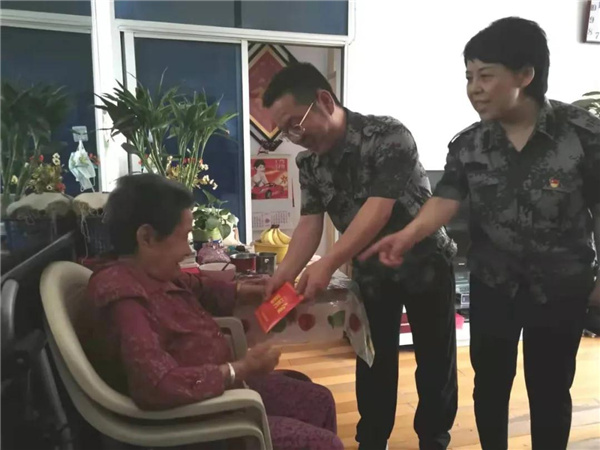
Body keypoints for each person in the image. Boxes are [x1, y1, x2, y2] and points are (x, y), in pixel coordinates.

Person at [361, 17, 600, 450]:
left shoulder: (583, 135)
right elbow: (447, 197)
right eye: (469, 77)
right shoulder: (469, 143)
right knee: (489, 387)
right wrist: (408, 234)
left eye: (485, 75)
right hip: (493, 285)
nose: (474, 88)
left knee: (550, 389)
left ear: (525, 75)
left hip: (560, 288)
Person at [262, 62, 458, 450]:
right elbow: (309, 224)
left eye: (295, 124)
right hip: (371, 273)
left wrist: (329, 262)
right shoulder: (309, 163)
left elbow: (378, 209)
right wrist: (284, 274)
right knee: (372, 361)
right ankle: (371, 441)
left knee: (435, 363)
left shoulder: (388, 136)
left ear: (324, 100)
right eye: (285, 132)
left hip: (426, 264)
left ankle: (434, 441)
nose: (295, 138)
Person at [83, 173, 343, 450]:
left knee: (319, 401)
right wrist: (240, 368)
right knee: (324, 445)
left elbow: (199, 287)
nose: (187, 250)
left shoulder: (153, 273)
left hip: (219, 395)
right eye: (183, 237)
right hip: (195, 423)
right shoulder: (122, 297)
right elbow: (156, 385)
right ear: (147, 237)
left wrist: (249, 290)